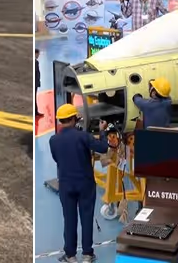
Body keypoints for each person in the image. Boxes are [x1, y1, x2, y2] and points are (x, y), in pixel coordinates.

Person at [50, 103, 110, 263]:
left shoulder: (53, 140)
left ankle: (70, 255)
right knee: (87, 218)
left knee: (69, 219)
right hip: (85, 184)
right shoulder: (83, 136)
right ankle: (87, 255)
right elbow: (103, 148)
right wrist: (102, 131)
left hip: (66, 184)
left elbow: (57, 159)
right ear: (74, 118)